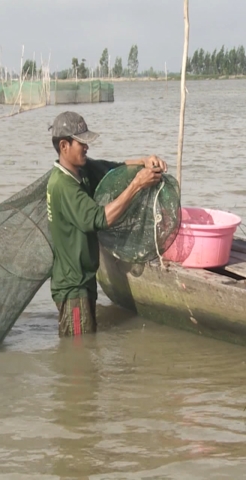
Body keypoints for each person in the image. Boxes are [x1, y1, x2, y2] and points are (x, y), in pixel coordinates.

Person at [46, 111, 167, 336]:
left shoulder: (81, 171)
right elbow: (102, 218)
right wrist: (137, 186)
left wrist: (143, 162)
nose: (87, 147)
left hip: (84, 280)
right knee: (78, 355)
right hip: (73, 288)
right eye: (81, 143)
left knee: (85, 350)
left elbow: (114, 169)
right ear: (64, 146)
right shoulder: (63, 185)